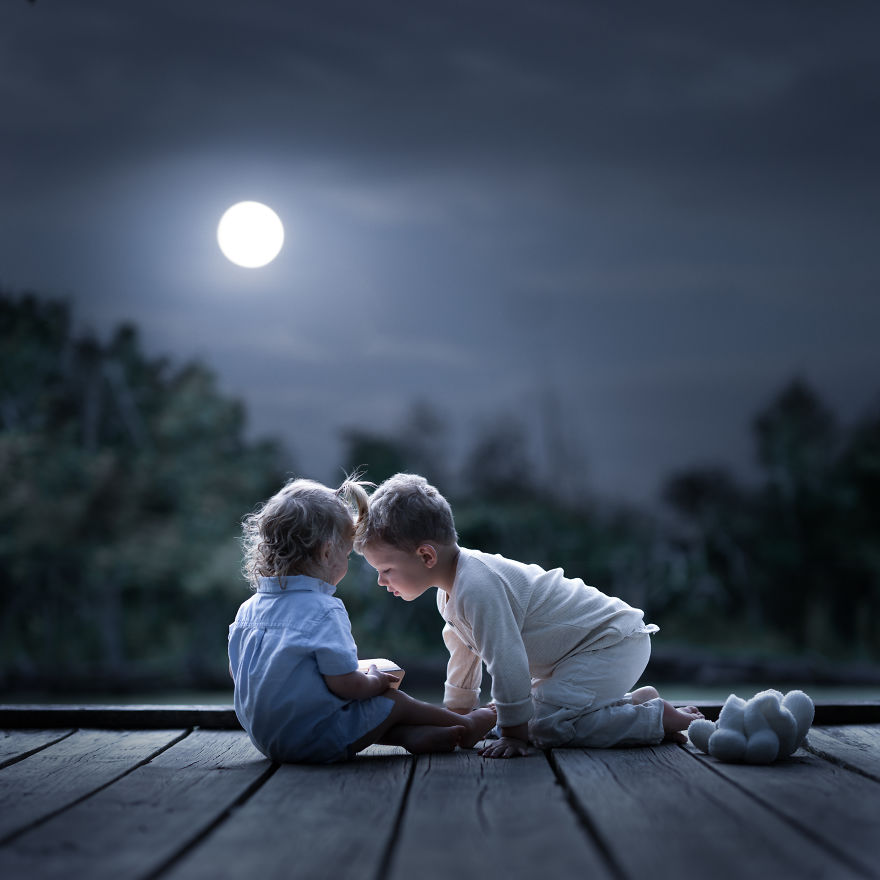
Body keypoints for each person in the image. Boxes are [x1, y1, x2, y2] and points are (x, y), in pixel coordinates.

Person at [356, 473, 703, 758]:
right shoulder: (450, 594)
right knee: (521, 710)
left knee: (544, 728)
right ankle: (636, 704)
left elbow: (507, 662)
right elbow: (464, 657)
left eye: (386, 569)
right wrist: (456, 716)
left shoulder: (477, 586)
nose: (381, 580)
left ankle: (656, 720)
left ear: (426, 556)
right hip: (585, 653)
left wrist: (514, 735)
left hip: (609, 643)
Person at [228, 476, 497, 763]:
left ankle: (408, 736)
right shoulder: (324, 610)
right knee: (392, 702)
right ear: (327, 552)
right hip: (311, 740)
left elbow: (239, 674)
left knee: (338, 705)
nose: (347, 562)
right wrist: (375, 681)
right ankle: (467, 726)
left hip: (265, 739)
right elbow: (347, 686)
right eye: (346, 554)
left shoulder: (248, 610)